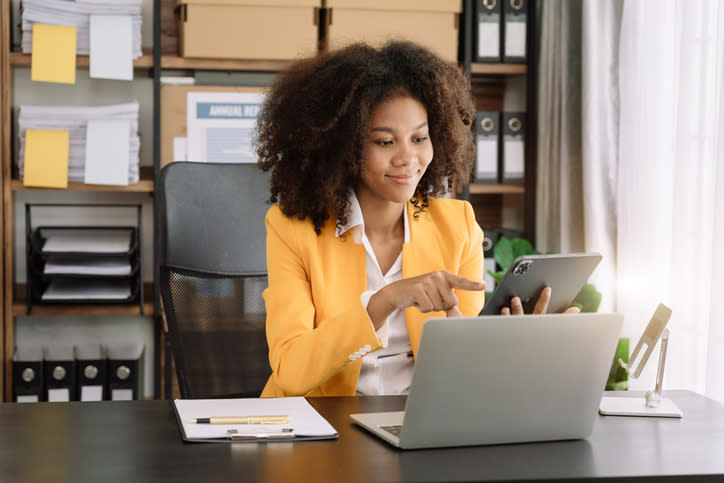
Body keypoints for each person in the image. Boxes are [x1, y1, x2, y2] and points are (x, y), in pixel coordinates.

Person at [255, 40, 556, 398]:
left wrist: (516, 345)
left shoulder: (457, 226)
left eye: (419, 138)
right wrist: (385, 300)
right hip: (321, 429)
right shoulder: (293, 230)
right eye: (385, 142)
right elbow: (292, 372)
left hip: (414, 425)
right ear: (342, 146)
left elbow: (465, 374)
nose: (407, 158)